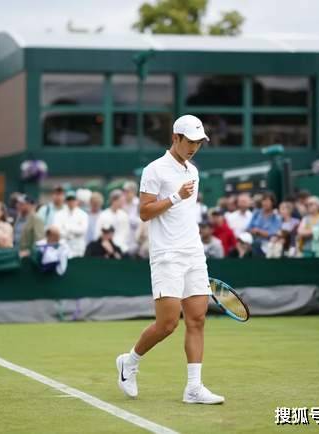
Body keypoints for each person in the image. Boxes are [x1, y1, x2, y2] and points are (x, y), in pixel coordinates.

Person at [115, 114, 224, 405]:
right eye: (190, 142)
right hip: (166, 254)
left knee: (198, 319)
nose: (194, 148)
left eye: (199, 143)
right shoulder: (154, 170)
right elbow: (144, 212)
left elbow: (185, 216)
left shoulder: (194, 171)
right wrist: (175, 197)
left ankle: (193, 388)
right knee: (167, 324)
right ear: (175, 138)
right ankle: (130, 362)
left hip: (193, 253)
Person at [54, 191, 89, 258]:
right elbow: (57, 230)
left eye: (73, 199)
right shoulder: (59, 214)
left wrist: (68, 228)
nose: (71, 202)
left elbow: (83, 230)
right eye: (69, 200)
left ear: (77, 201)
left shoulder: (83, 214)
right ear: (66, 201)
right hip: (64, 245)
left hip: (78, 247)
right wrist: (73, 230)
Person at [247, 192, 281, 256]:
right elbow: (249, 228)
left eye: (267, 201)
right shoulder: (256, 213)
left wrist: (258, 231)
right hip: (253, 242)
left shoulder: (276, 217)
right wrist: (254, 231)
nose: (265, 203)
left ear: (272, 203)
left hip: (268, 245)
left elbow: (272, 233)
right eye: (263, 201)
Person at [96, 189, 130, 253]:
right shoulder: (103, 215)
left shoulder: (124, 215)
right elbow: (98, 232)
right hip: (105, 248)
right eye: (121, 201)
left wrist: (119, 245)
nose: (123, 203)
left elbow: (126, 233)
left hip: (122, 248)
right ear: (114, 201)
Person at [123, 181, 141, 255]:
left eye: (127, 191)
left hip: (135, 239)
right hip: (123, 238)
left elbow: (141, 221)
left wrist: (129, 218)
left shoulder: (139, 203)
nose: (125, 194)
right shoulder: (121, 203)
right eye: (124, 191)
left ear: (133, 192)